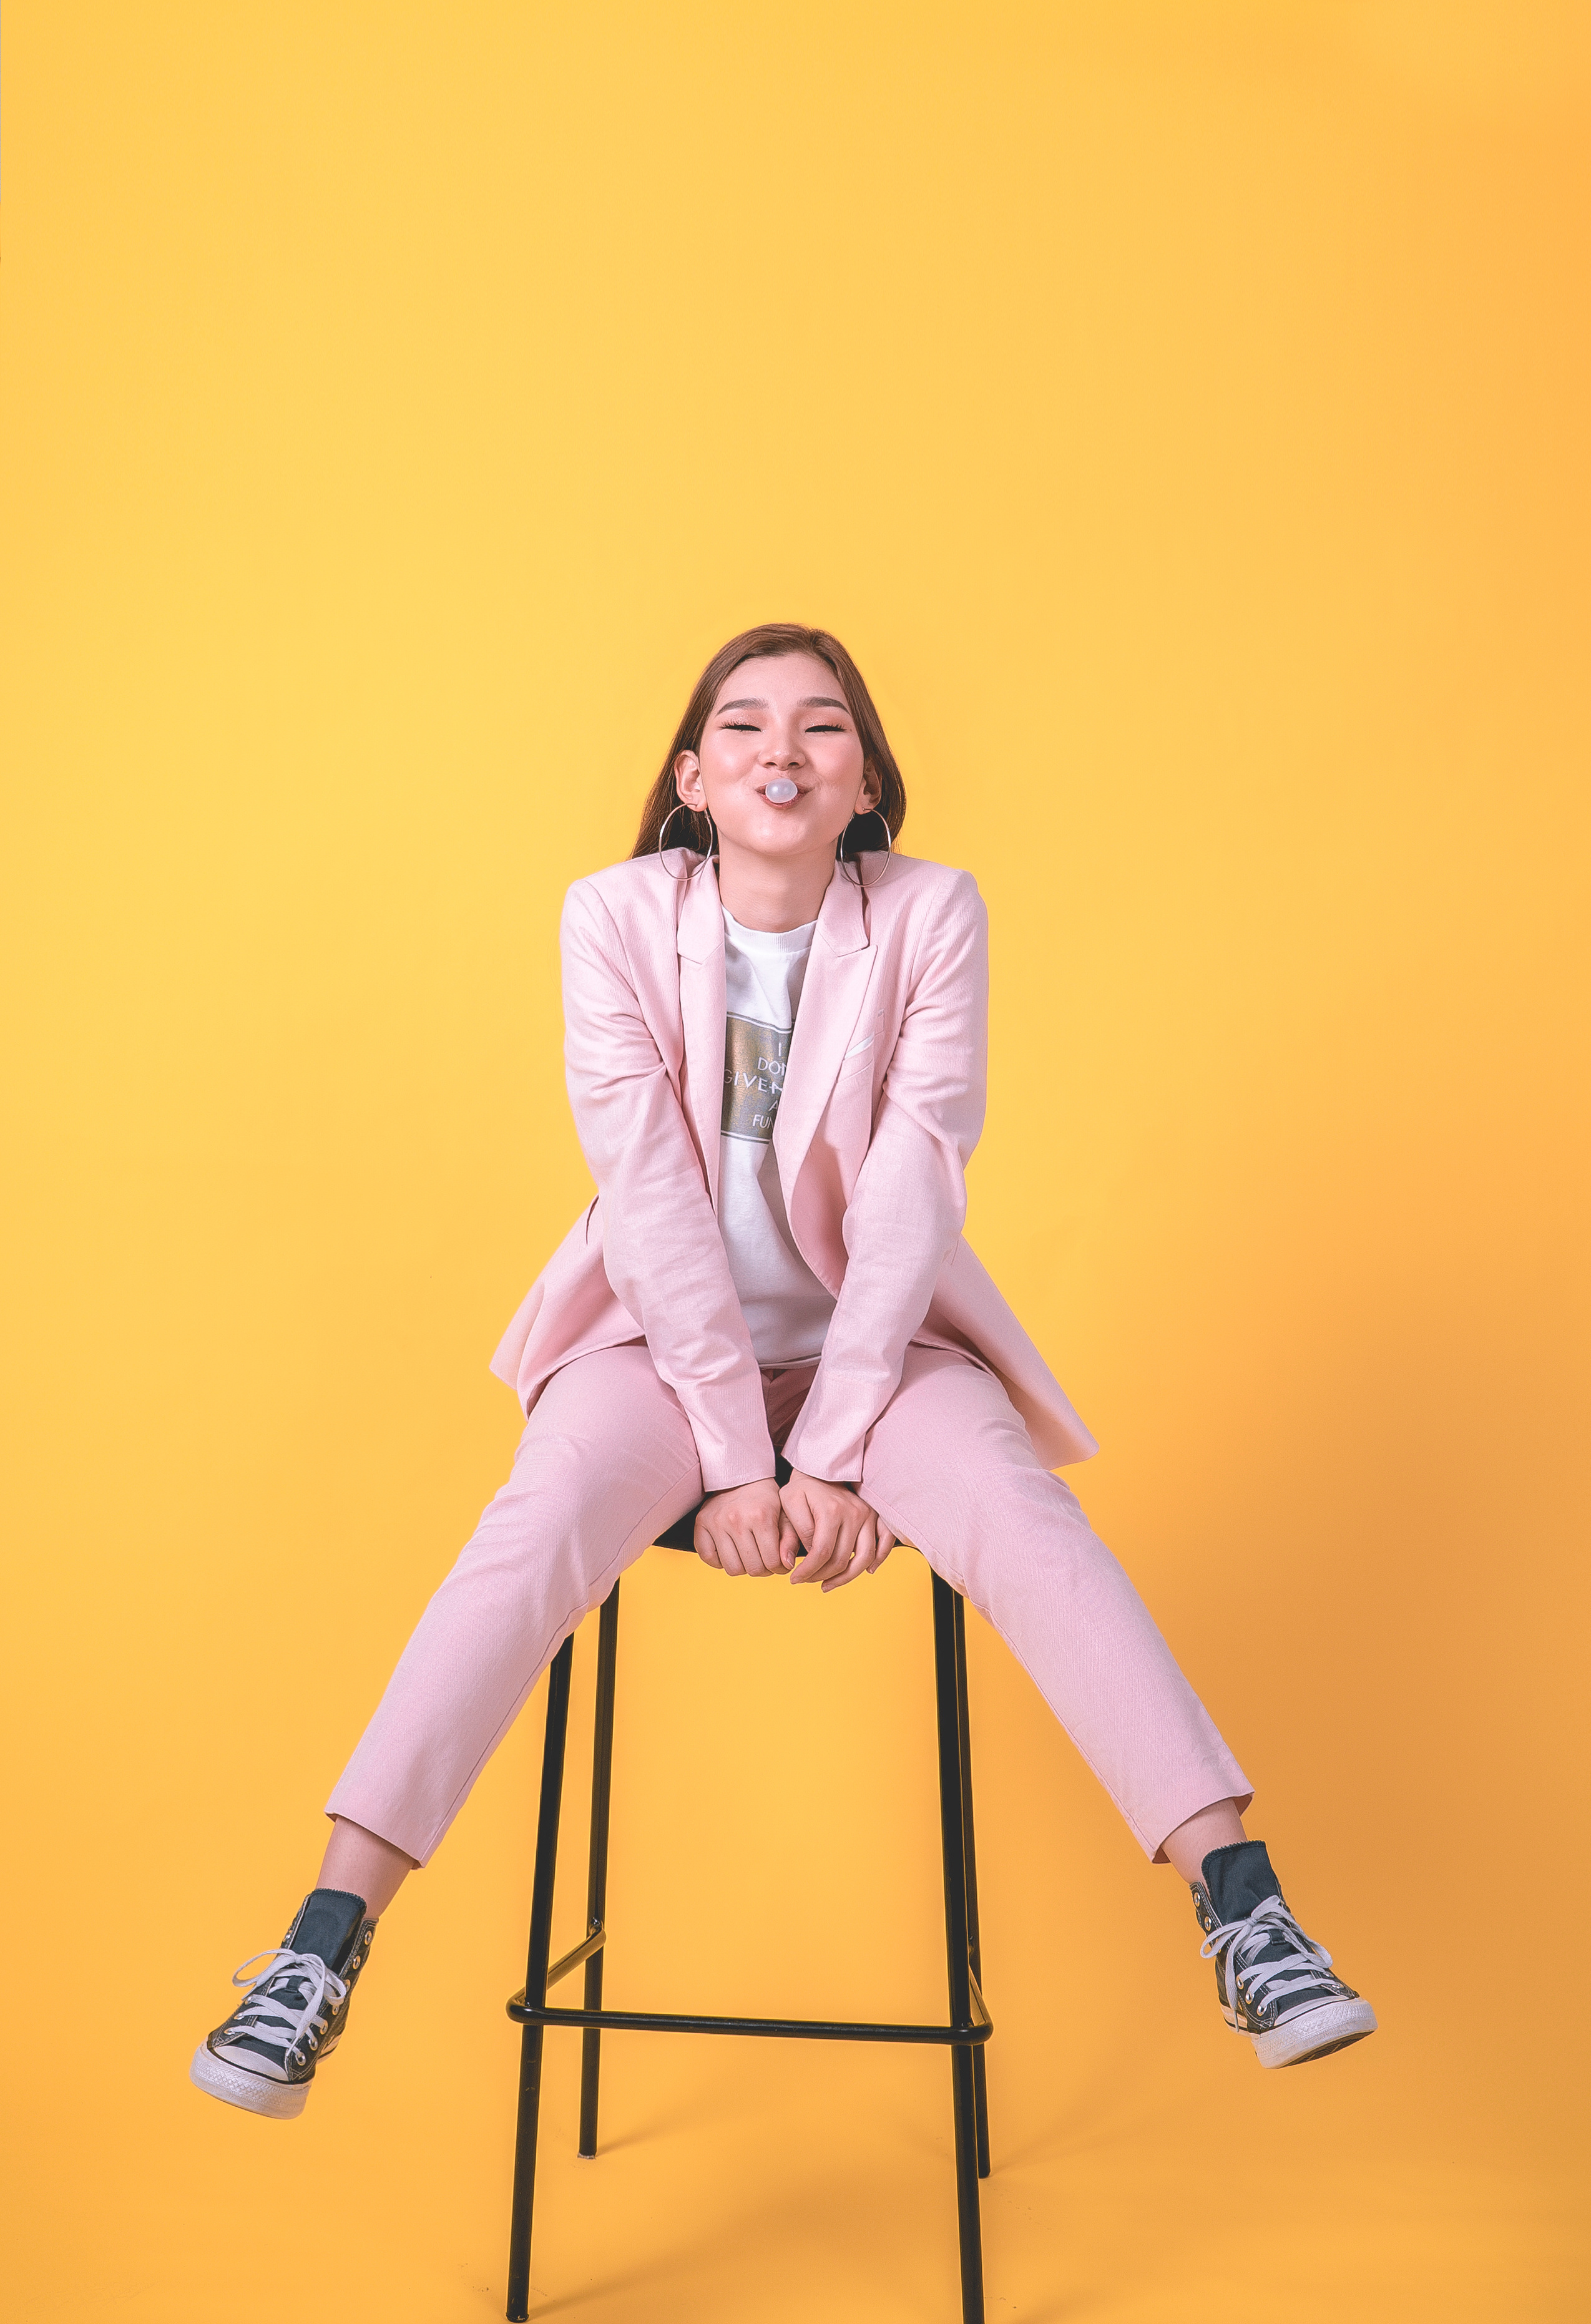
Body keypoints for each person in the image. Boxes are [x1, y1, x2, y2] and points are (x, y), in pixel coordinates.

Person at [192, 622, 1376, 2122]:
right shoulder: (614, 917)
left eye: (823, 727)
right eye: (743, 726)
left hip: (872, 1353)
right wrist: (738, 1465)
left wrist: (831, 1449)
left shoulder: (931, 914)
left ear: (866, 782)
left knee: (1023, 1516)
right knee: (535, 1525)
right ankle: (319, 1946)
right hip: (651, 1352)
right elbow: (647, 1196)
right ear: (691, 779)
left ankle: (1246, 1913)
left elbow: (913, 1189)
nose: (782, 752)